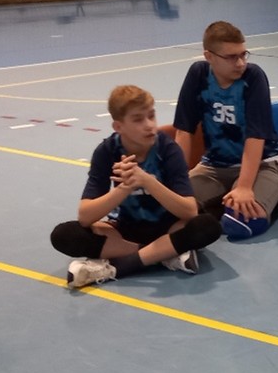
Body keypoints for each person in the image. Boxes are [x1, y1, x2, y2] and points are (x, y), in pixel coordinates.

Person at [52, 85, 221, 287]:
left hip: (168, 228)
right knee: (64, 235)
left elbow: (189, 211)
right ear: (118, 126)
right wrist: (124, 188)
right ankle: (164, 254)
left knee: (207, 226)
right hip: (126, 230)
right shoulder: (106, 152)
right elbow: (86, 217)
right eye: (138, 119)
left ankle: (118, 266)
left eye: (151, 116)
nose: (149, 125)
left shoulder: (168, 149)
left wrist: (147, 180)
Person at [172, 20, 278, 240]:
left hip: (265, 163)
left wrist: (244, 187)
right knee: (171, 209)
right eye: (232, 57)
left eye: (243, 55)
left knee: (241, 223)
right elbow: (184, 131)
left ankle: (268, 202)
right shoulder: (198, 75)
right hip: (214, 166)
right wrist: (176, 181)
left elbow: (255, 138)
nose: (240, 63)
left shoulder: (253, 77)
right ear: (209, 56)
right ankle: (231, 203)